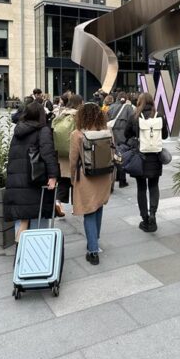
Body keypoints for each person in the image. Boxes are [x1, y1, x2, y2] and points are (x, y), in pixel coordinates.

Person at [3, 101, 59, 248]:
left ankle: (22, 256)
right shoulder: (43, 130)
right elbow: (48, 154)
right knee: (39, 219)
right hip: (35, 181)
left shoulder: (19, 130)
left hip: (17, 183)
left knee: (21, 219)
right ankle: (37, 258)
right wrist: (53, 176)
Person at [69, 102, 113, 265]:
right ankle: (95, 241)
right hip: (104, 176)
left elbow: (73, 160)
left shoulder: (77, 134)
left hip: (86, 177)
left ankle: (93, 251)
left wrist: (73, 178)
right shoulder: (107, 132)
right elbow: (112, 153)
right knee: (99, 206)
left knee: (89, 211)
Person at [124, 92, 169, 233]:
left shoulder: (135, 116)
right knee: (154, 186)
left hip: (140, 157)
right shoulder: (160, 115)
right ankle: (153, 215)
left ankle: (144, 218)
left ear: (139, 102)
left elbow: (126, 135)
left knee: (141, 188)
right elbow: (165, 135)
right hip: (155, 157)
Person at [52, 93, 84, 216]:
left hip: (61, 153)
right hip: (75, 152)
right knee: (76, 180)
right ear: (80, 103)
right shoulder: (78, 115)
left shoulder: (61, 113)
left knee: (64, 180)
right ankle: (76, 207)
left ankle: (58, 201)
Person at [108, 91, 134, 188]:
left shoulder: (111, 107)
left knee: (114, 156)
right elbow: (132, 121)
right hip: (124, 136)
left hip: (113, 135)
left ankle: (116, 177)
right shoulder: (128, 108)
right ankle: (122, 180)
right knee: (122, 156)